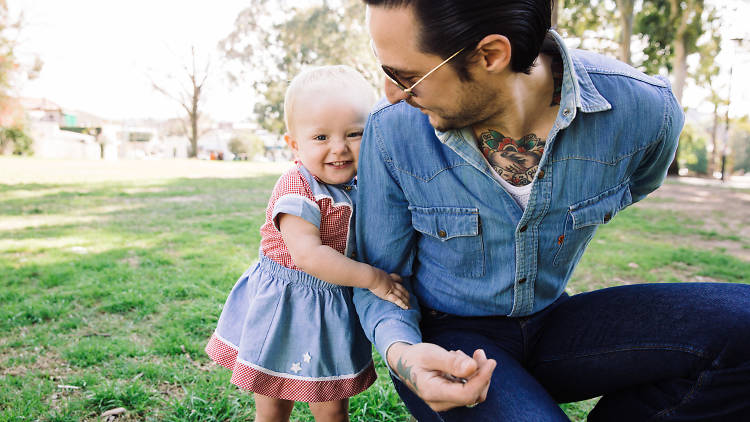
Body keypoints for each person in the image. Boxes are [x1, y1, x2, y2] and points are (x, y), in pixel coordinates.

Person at [353, 1, 750, 421]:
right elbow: (380, 278)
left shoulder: (645, 111)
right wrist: (405, 356)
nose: (392, 93)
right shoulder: (392, 128)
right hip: (448, 340)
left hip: (555, 325)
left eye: (407, 76)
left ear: (491, 55)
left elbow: (638, 183)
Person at [205, 65, 409, 422]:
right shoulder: (298, 188)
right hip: (287, 302)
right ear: (294, 144)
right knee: (273, 405)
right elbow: (309, 256)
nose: (339, 148)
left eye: (354, 133)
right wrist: (374, 279)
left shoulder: (362, 183)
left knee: (331, 408)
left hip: (330, 307)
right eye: (320, 138)